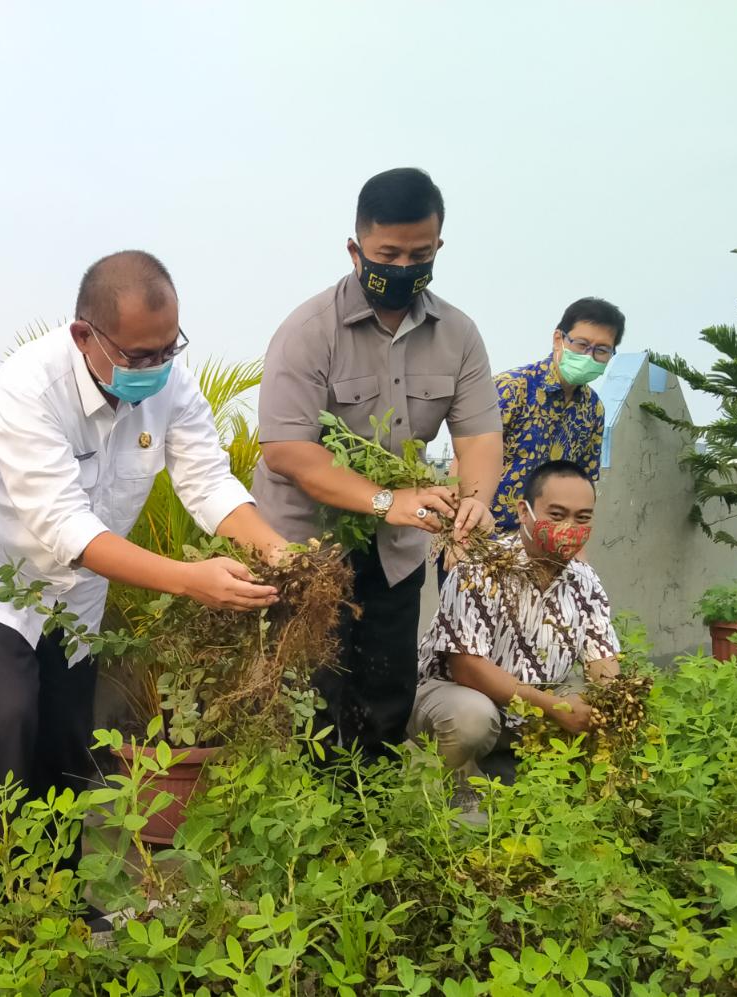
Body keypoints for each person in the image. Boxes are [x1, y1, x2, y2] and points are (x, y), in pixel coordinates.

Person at [0, 250, 286, 927]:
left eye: (169, 349)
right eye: (140, 354)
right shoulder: (29, 386)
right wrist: (190, 580)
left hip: (79, 588)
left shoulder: (170, 383)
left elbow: (206, 479)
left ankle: (59, 905)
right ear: (84, 334)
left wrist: (273, 547)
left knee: (65, 742)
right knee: (5, 726)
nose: (158, 367)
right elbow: (65, 525)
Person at [255, 167, 504, 760]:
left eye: (419, 255)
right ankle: (310, 814)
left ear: (438, 247)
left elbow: (478, 436)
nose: (402, 268)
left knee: (386, 699)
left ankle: (376, 810)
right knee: (309, 705)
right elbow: (287, 450)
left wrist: (475, 502)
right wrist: (386, 500)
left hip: (396, 551)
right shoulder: (308, 331)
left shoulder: (459, 335)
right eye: (387, 255)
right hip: (309, 548)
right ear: (355, 249)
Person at [409, 460, 620, 801]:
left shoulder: (586, 580)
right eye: (557, 515)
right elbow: (467, 668)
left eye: (582, 518)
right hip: (458, 696)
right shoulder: (480, 567)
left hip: (533, 708)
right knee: (471, 718)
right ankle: (458, 788)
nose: (569, 527)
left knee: (594, 705)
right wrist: (553, 706)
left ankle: (539, 783)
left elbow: (602, 659)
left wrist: (612, 700)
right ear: (524, 512)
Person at [437, 297, 624, 588]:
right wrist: (457, 536)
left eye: (601, 350)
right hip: (480, 544)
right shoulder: (512, 389)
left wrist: (578, 554)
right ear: (559, 339)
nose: (589, 356)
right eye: (581, 344)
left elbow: (582, 487)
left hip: (541, 558)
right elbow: (464, 459)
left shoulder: (593, 411)